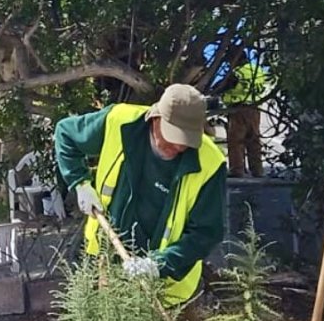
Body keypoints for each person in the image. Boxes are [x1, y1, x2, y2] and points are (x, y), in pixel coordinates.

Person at [52, 84, 227, 302]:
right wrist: (80, 183)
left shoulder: (211, 163)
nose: (179, 147)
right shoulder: (120, 121)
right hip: (107, 265)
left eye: (186, 141)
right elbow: (66, 134)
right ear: (156, 119)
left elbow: (206, 233)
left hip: (168, 290)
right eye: (173, 138)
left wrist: (158, 265)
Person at [222, 59, 271, 178]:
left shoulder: (238, 72)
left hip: (238, 108)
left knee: (236, 140)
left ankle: (237, 170)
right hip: (255, 108)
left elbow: (226, 87)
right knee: (253, 139)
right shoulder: (257, 69)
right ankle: (257, 170)